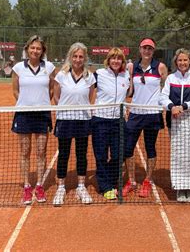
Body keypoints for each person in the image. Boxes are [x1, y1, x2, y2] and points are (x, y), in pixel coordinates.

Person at [11, 35, 56, 205]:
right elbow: (15, 90)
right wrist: (25, 104)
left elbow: (52, 89)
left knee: (41, 151)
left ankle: (39, 185)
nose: (35, 51)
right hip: (23, 114)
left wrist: (41, 103)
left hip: (42, 114)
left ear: (42, 51)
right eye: (32, 48)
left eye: (38, 48)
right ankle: (27, 186)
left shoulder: (49, 67)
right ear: (27, 49)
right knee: (24, 152)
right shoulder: (18, 68)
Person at [159, 48, 190, 202]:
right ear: (176, 62)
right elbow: (163, 97)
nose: (182, 63)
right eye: (180, 60)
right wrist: (172, 106)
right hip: (174, 120)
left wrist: (183, 106)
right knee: (178, 153)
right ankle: (180, 187)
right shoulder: (171, 78)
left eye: (185, 60)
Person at [122, 38, 168, 198]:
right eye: (144, 48)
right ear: (140, 49)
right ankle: (132, 181)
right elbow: (130, 91)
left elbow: (166, 90)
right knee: (128, 148)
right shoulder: (131, 67)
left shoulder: (160, 67)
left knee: (150, 148)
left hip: (152, 114)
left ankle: (147, 180)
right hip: (135, 113)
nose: (147, 51)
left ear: (153, 50)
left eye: (150, 48)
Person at [53, 42, 96, 206]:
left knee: (81, 154)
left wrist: (81, 110)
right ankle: (61, 187)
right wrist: (66, 110)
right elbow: (56, 97)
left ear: (84, 58)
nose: (78, 59)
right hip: (65, 120)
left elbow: (91, 96)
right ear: (70, 57)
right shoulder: (61, 75)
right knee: (63, 154)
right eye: (75, 56)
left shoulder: (89, 76)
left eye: (81, 56)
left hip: (83, 120)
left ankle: (81, 186)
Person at [92, 48, 131, 200]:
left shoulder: (126, 75)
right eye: (113, 58)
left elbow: (128, 93)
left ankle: (111, 181)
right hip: (100, 120)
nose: (116, 61)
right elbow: (87, 91)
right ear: (108, 60)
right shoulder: (99, 74)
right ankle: (105, 186)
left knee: (118, 155)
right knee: (101, 155)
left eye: (119, 58)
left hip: (118, 121)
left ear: (122, 61)